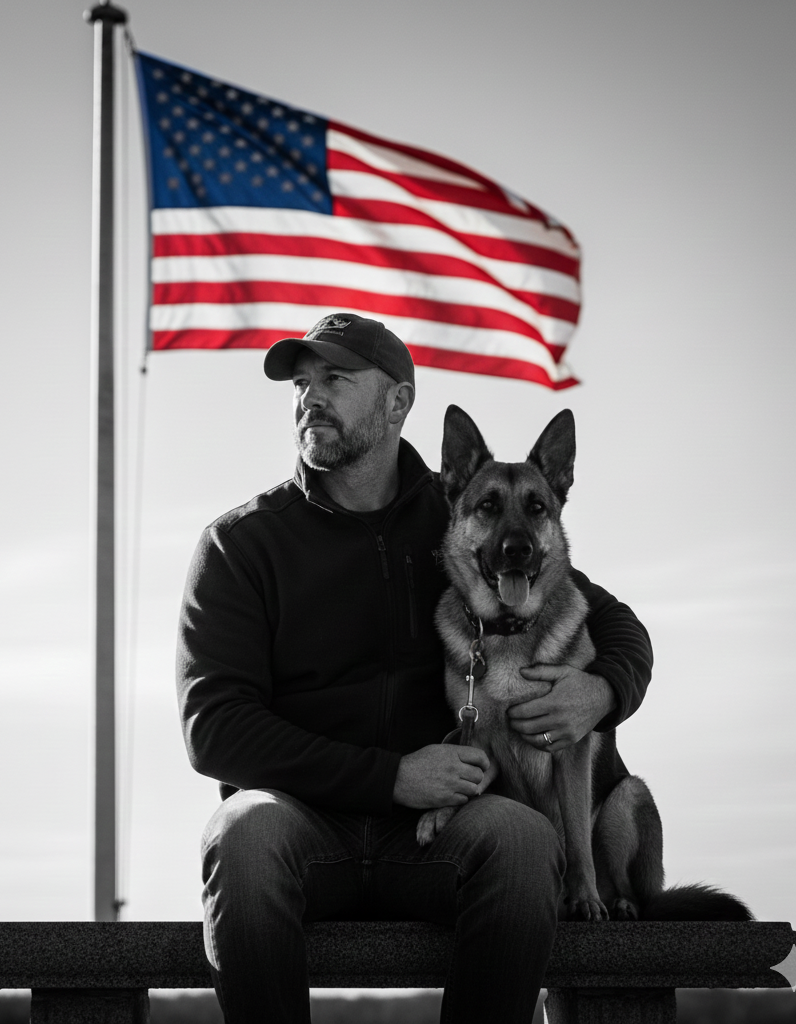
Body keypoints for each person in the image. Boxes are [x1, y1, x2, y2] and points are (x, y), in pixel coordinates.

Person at [176, 313, 653, 1023]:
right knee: (243, 831)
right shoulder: (240, 545)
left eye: (334, 378)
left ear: (398, 404)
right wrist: (389, 777)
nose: (311, 395)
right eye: (303, 383)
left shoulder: (469, 514)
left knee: (524, 838)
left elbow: (609, 619)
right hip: (303, 828)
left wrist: (603, 690)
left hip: (439, 834)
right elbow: (213, 731)